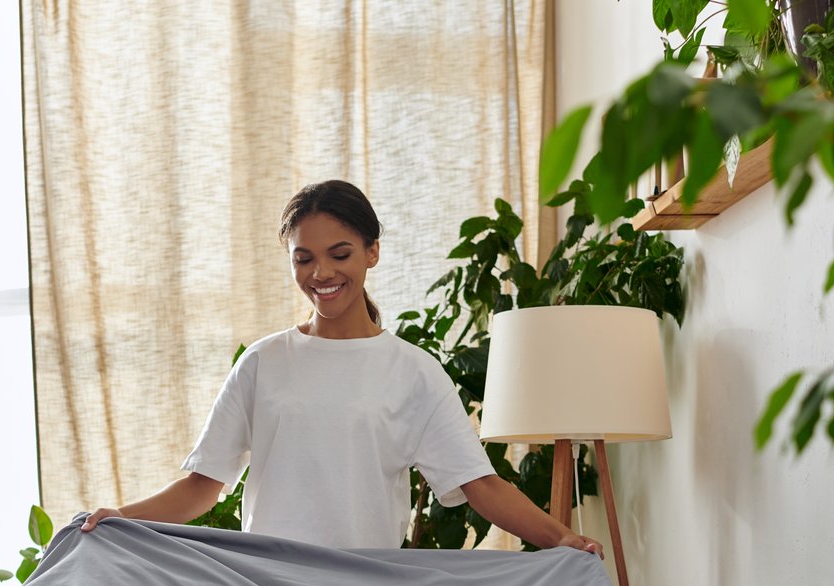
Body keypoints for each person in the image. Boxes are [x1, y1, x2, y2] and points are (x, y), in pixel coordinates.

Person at [82, 180, 602, 556]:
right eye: (303, 258)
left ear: (372, 252)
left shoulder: (415, 373)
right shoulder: (262, 363)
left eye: (340, 253)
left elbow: (481, 486)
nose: (321, 273)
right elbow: (202, 487)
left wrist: (564, 539)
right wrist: (120, 518)